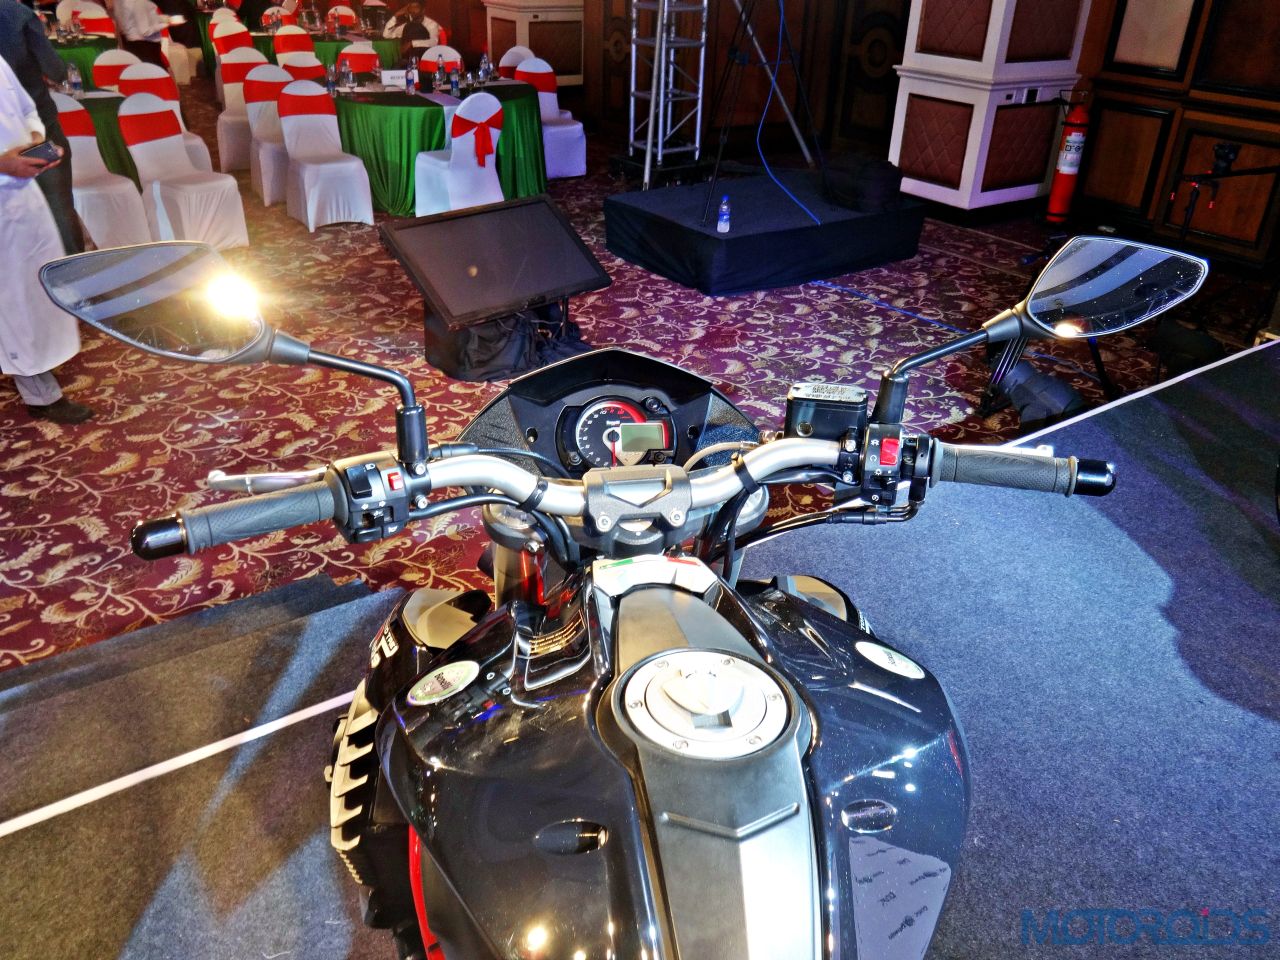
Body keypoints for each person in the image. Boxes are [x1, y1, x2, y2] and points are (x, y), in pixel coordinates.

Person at [0, 55, 92, 423]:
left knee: (34, 289)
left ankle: (36, 375)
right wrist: (3, 163)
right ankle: (40, 393)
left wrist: (35, 143)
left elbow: (26, 109)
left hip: (23, 194)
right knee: (11, 302)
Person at [0, 0, 84, 254]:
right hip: (39, 131)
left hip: (24, 130)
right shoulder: (17, 14)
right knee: (60, 214)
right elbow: (54, 69)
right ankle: (73, 275)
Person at [115, 0, 169, 66]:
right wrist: (166, 24)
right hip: (145, 45)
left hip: (138, 44)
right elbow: (145, 31)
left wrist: (164, 19)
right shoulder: (140, 3)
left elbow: (149, 17)